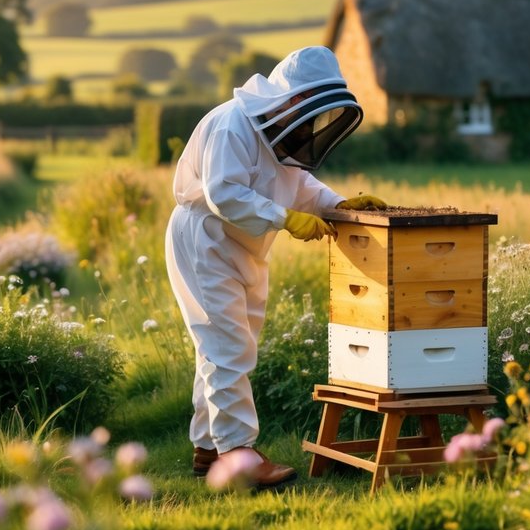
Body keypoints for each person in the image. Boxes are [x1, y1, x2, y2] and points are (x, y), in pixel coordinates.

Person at [165, 46, 386, 488]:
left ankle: (209, 448)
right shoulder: (232, 125)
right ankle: (238, 455)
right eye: (307, 106)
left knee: (230, 343)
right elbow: (224, 193)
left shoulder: (281, 135)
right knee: (228, 346)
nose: (311, 119)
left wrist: (338, 204)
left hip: (245, 244)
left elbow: (299, 184)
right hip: (205, 238)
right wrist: (283, 219)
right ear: (289, 97)